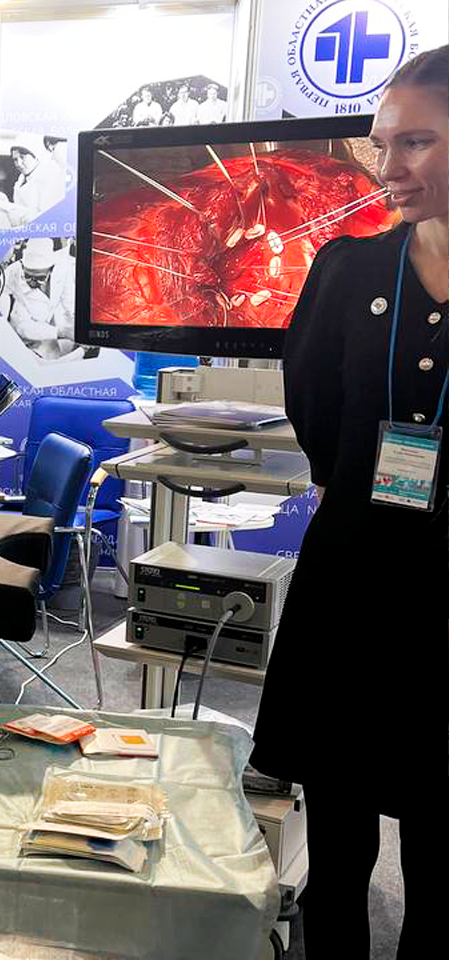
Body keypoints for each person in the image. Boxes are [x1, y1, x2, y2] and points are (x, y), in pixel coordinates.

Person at [250, 46, 448, 960]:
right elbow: (316, 407)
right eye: (382, 142)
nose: (388, 166)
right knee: (337, 843)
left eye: (417, 142)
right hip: (352, 580)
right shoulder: (348, 270)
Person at [0, 237, 79, 360]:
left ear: (51, 270)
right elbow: (22, 325)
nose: (32, 282)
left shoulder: (62, 270)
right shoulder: (14, 275)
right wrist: (60, 332)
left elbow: (70, 303)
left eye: (40, 278)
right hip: (23, 340)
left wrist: (79, 329)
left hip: (48, 336)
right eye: (28, 276)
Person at [9, 144, 66, 227]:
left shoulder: (48, 176)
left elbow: (47, 215)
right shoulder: (21, 179)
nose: (19, 164)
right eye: (15, 159)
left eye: (22, 157)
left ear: (35, 156)